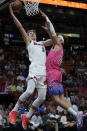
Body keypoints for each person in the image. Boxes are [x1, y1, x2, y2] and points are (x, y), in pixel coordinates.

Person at [9, 2, 53, 130]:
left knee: (42, 97)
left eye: (34, 33)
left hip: (43, 73)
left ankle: (26, 116)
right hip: (34, 71)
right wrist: (12, 14)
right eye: (30, 33)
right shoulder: (29, 43)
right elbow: (20, 27)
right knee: (29, 91)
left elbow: (52, 41)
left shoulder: (41, 43)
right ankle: (14, 110)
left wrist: (49, 31)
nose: (32, 34)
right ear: (27, 36)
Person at [40, 10, 83, 129]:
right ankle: (76, 114)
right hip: (57, 73)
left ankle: (76, 114)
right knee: (62, 98)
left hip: (52, 74)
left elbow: (53, 34)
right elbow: (52, 36)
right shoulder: (59, 47)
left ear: (61, 41)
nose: (56, 38)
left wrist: (47, 18)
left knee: (55, 99)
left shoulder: (58, 45)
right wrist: (48, 31)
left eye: (58, 38)